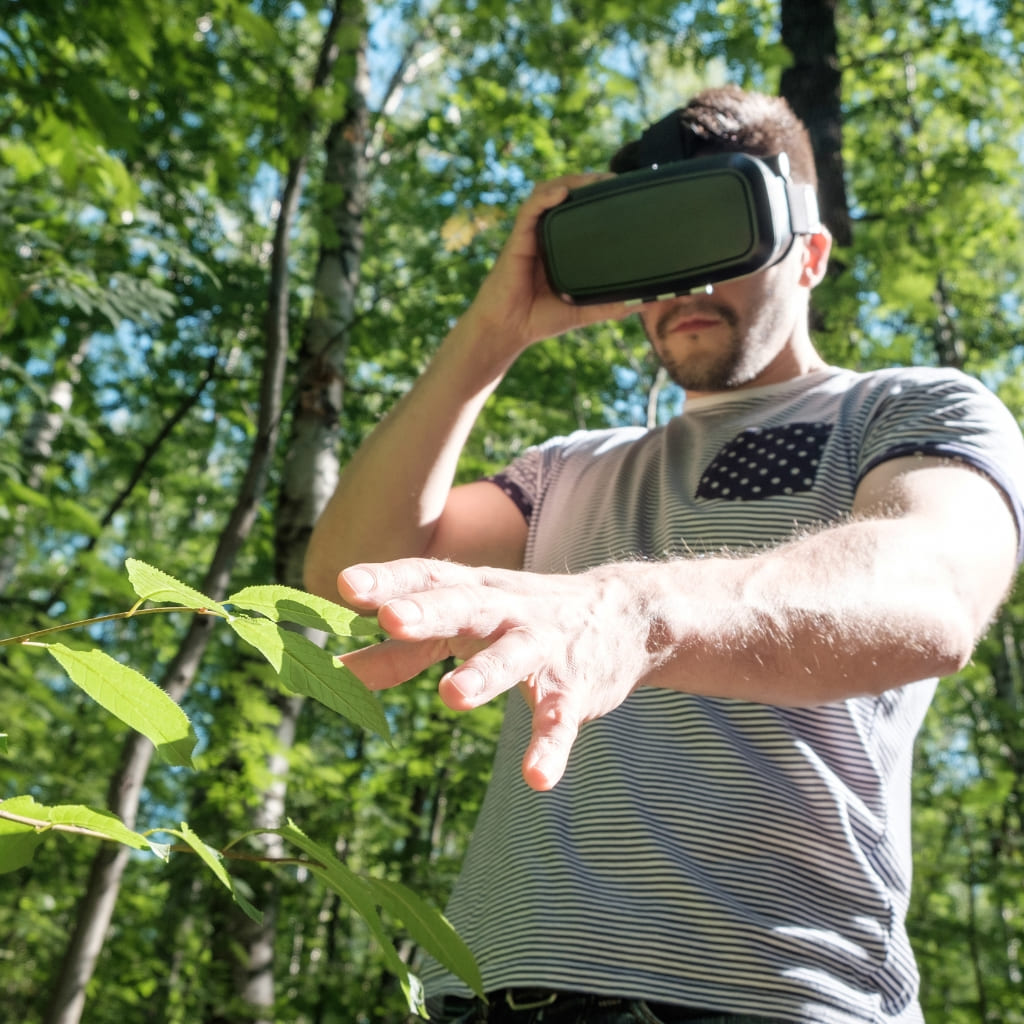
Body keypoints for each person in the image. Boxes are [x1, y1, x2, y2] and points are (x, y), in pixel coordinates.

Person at [304, 86, 1024, 1024]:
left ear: (808, 253)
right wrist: (494, 333)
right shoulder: (568, 468)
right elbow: (354, 574)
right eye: (660, 247)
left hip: (769, 996)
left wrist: (631, 610)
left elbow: (930, 592)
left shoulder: (907, 409)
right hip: (482, 995)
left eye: (714, 233)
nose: (685, 284)